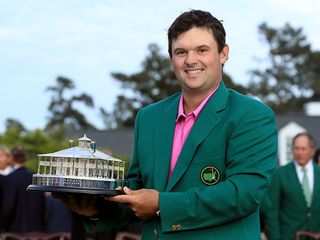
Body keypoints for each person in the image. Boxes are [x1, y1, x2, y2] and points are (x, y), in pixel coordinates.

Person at [58, 9, 278, 239]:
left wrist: (160, 203)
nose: (191, 60)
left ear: (223, 54)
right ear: (171, 58)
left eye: (202, 50)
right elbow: (137, 189)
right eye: (181, 52)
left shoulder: (251, 115)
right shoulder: (149, 117)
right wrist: (95, 209)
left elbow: (243, 194)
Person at [262, 133, 320, 240]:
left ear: (312, 151)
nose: (299, 152)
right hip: (289, 236)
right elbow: (272, 211)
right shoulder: (280, 174)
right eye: (296, 148)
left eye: (303, 149)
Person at [0, 146, 46, 233]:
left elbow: (8, 206)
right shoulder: (35, 177)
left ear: (11, 158)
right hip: (37, 230)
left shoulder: (10, 179)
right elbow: (43, 205)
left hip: (16, 231)